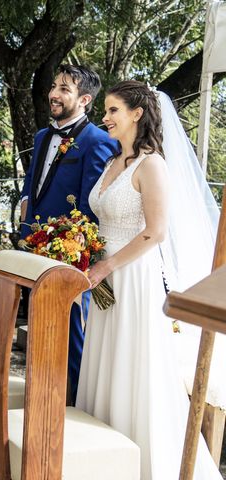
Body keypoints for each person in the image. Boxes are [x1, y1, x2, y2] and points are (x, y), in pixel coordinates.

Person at [77, 80, 222, 479]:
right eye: (105, 111)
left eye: (112, 111)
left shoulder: (152, 165)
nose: (104, 118)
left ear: (137, 114)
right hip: (103, 277)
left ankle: (140, 462)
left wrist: (107, 266)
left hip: (132, 278)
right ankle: (101, 459)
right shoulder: (112, 163)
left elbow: (155, 232)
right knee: (104, 362)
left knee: (132, 367)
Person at [20, 64, 117, 401]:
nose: (54, 94)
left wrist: (74, 248)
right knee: (39, 328)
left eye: (64, 89)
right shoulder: (41, 136)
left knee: (72, 333)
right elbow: (31, 184)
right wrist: (23, 212)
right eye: (54, 86)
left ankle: (72, 405)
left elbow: (92, 204)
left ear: (85, 99)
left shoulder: (98, 141)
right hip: (31, 249)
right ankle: (43, 396)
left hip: (69, 254)